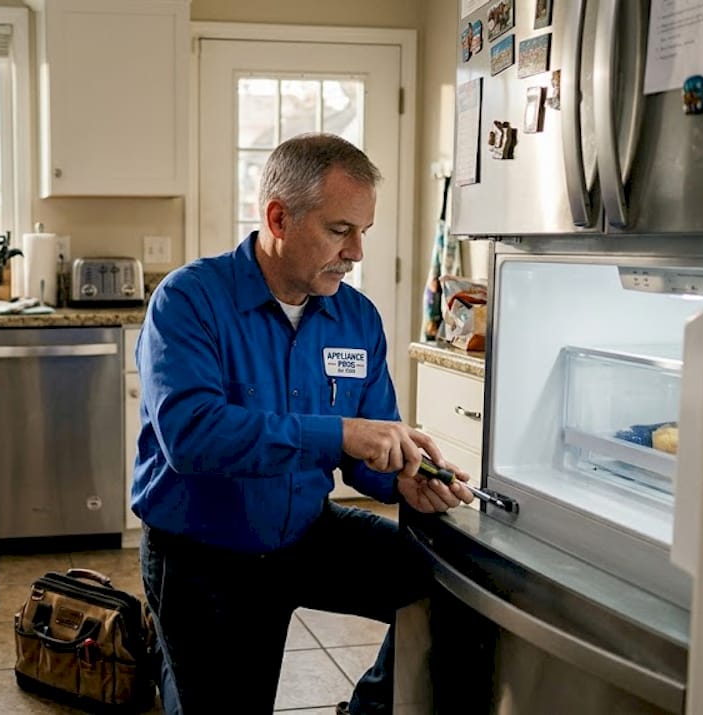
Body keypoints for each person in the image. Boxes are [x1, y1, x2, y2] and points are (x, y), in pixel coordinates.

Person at [133, 133, 474, 714]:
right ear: (278, 218)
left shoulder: (356, 317)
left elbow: (372, 445)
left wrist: (402, 478)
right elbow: (193, 437)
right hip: (204, 556)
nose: (358, 252)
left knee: (451, 590)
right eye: (341, 230)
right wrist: (340, 433)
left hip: (307, 533)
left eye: (364, 231)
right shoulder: (188, 301)